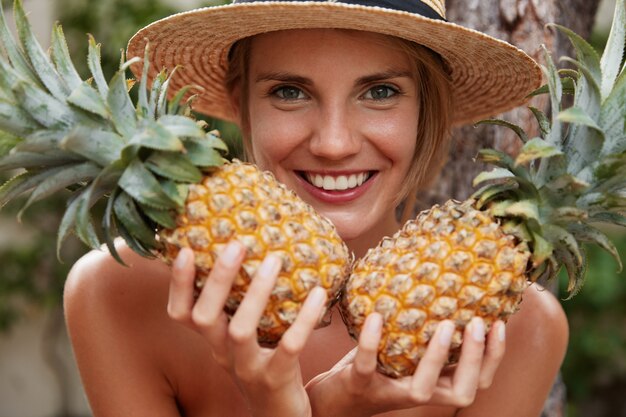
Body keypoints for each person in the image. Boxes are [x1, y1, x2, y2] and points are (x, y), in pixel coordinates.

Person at [64, 1, 569, 416]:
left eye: (380, 92)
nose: (333, 144)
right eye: (289, 92)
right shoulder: (118, 293)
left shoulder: (514, 330)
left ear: (425, 109)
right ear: (243, 103)